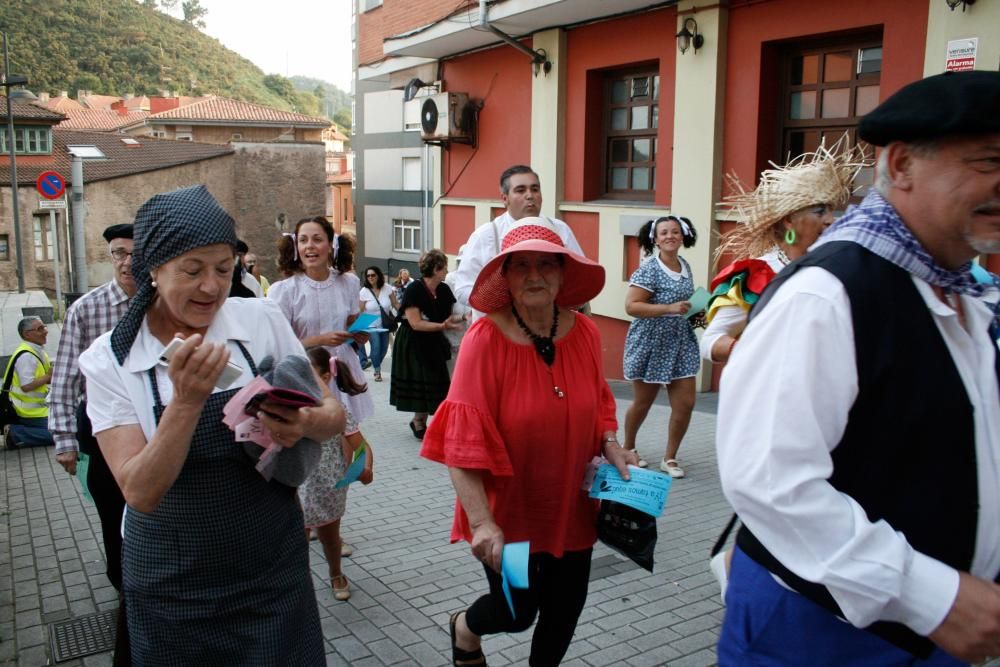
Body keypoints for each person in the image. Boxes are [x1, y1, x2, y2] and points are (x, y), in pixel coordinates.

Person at [716, 71, 1000, 666]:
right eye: (988, 161)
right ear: (900, 166)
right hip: (823, 636)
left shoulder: (962, 294)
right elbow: (769, 482)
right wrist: (933, 596)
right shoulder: (826, 294)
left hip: (934, 629)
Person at [79, 185, 344, 665]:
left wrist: (299, 422)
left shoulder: (259, 319)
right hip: (173, 584)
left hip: (271, 568)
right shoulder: (109, 361)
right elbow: (139, 491)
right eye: (193, 270)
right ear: (153, 269)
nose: (211, 287)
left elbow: (332, 417)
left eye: (224, 269)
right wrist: (185, 403)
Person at [420, 217, 638, 667]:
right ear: (506, 276)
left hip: (571, 512)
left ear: (562, 273)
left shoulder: (587, 334)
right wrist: (482, 523)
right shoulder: (485, 340)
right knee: (516, 611)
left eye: (546, 264)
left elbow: (598, 402)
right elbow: (461, 442)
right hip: (510, 517)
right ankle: (464, 627)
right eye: (521, 266)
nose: (535, 275)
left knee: (563, 611)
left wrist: (610, 441)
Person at [48, 222, 137, 663]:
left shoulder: (164, 303)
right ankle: (126, 588)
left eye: (135, 253)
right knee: (113, 509)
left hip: (152, 425)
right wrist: (65, 438)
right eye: (118, 253)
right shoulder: (88, 309)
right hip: (100, 429)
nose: (126, 262)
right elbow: (65, 378)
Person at [700, 136, 867, 364]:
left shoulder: (838, 267)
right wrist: (763, 351)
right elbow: (710, 342)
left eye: (830, 211)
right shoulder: (759, 274)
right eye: (819, 212)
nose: (830, 220)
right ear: (789, 220)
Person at [268, 217, 374, 425]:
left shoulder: (348, 282)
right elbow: (277, 346)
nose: (309, 246)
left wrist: (361, 332)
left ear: (331, 245)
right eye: (303, 240)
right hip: (306, 371)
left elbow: (352, 321)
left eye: (317, 239)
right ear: (295, 246)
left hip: (342, 370)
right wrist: (320, 339)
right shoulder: (284, 291)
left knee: (349, 435)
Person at [451, 165, 586, 319]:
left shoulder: (560, 230)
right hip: (499, 332)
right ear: (504, 198)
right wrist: (504, 297)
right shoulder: (485, 236)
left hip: (551, 328)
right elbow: (463, 288)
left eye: (535, 189)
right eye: (520, 190)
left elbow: (579, 279)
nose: (530, 195)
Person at [621, 216, 699, 477]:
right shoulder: (649, 269)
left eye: (675, 232)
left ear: (683, 237)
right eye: (664, 232)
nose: (670, 236)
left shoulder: (684, 265)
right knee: (643, 402)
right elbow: (632, 306)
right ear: (655, 239)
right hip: (651, 341)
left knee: (686, 402)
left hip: (680, 340)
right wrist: (669, 308)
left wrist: (699, 312)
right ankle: (629, 447)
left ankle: (670, 458)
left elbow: (684, 304)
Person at [301, 346, 374, 602]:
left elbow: (361, 446)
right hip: (295, 488)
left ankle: (336, 574)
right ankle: (296, 583)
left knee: (330, 539)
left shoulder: (338, 412)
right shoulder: (286, 408)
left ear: (325, 378)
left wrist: (365, 468)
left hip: (329, 486)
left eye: (308, 376)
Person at [389, 249, 460, 440]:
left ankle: (432, 421)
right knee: (422, 381)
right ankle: (419, 421)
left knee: (436, 381)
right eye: (444, 266)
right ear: (436, 269)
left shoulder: (444, 289)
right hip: (413, 341)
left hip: (434, 339)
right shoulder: (415, 289)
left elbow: (449, 314)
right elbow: (415, 323)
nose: (447, 270)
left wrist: (462, 318)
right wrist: (442, 325)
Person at [2, 317, 55, 448]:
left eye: (44, 327)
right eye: (40, 329)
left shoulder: (36, 350)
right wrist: (48, 376)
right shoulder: (26, 356)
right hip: (26, 412)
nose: (45, 331)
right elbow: (26, 386)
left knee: (68, 427)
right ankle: (15, 434)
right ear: (27, 334)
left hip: (39, 409)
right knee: (62, 434)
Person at [359, 266, 398, 382]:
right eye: (368, 275)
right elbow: (360, 310)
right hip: (370, 325)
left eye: (373, 275)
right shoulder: (364, 291)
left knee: (384, 349)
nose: (370, 277)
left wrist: (406, 311)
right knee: (376, 347)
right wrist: (358, 326)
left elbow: (395, 304)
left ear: (378, 275)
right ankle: (377, 371)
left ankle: (375, 362)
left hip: (384, 325)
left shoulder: (387, 288)